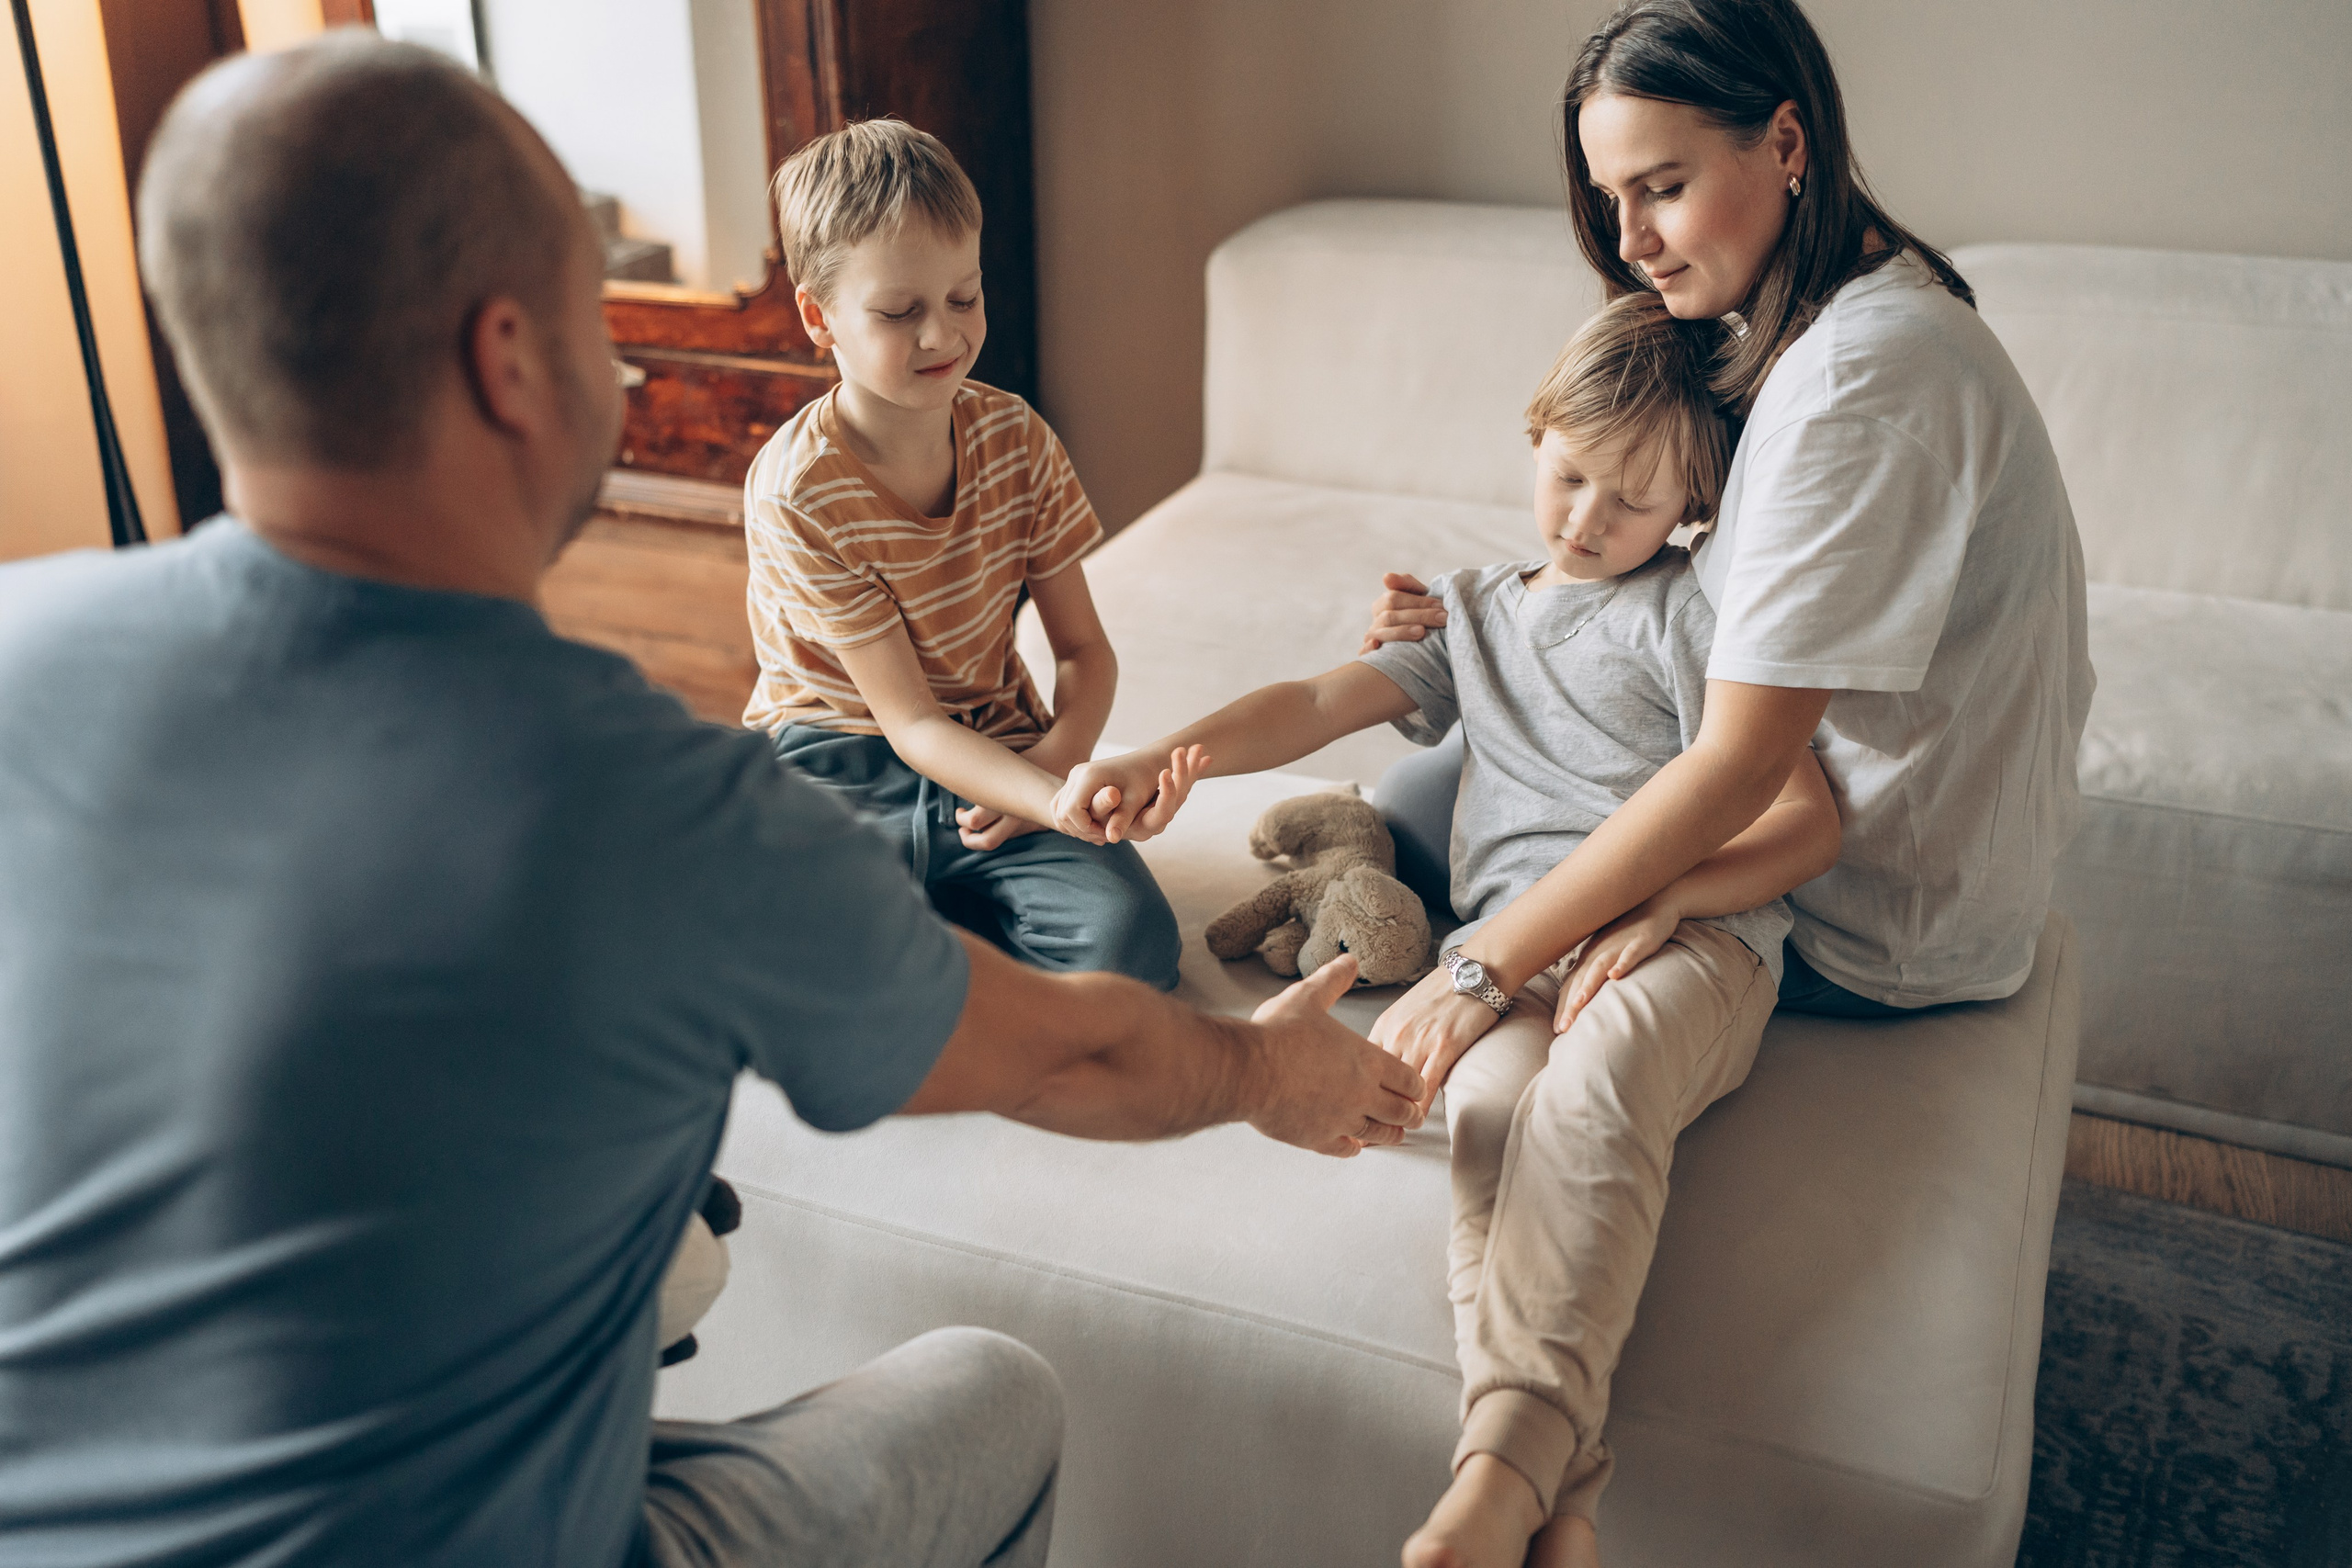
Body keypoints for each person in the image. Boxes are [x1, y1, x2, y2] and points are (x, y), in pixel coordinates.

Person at [0, 37, 1422, 1568]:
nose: (615, 377)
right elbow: (1069, 1051)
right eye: (593, 329)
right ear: (508, 358)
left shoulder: (20, 648)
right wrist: (1265, 1076)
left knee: (669, 1250)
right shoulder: (644, 798)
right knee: (992, 1395)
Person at [1057, 295, 1841, 1568]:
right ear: (1535, 436)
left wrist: (1668, 899)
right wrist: (1168, 751)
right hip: (1510, 955)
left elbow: (1807, 821)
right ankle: (1555, 1495)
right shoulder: (1468, 615)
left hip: (1688, 942)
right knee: (1486, 1118)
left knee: (1592, 1099)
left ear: (1693, 507)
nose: (1589, 521)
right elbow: (1314, 700)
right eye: (1572, 475)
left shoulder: (1694, 617)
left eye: (1633, 502)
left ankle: (1497, 1478)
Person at [741, 118, 1193, 990]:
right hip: (836, 764)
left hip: (1000, 744)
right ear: (817, 316)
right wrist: (1057, 804)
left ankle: (940, 918)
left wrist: (1058, 761)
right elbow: (908, 724)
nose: (941, 337)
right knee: (786, 974)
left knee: (1130, 950)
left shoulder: (1017, 438)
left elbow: (1083, 651)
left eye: (963, 297)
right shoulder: (799, 491)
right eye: (898, 312)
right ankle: (932, 919)